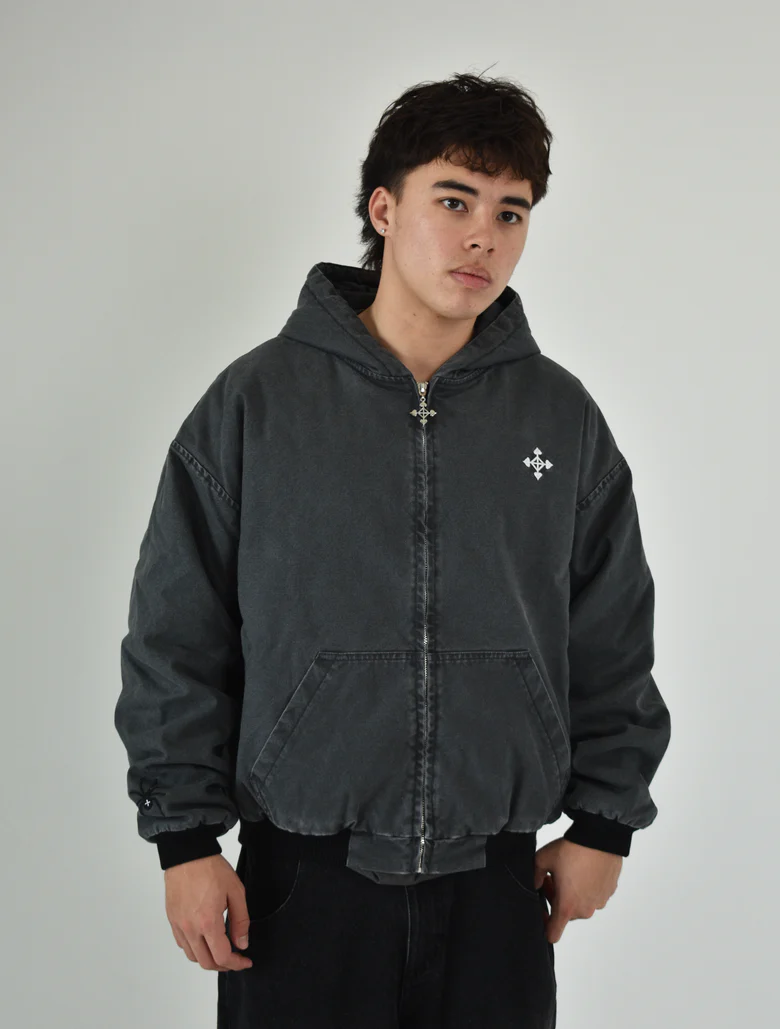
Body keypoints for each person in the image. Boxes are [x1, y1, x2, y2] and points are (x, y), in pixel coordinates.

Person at [114, 70, 671, 1028]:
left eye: (509, 212)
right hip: (300, 886)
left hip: (497, 887)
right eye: (453, 200)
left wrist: (603, 821)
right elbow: (176, 629)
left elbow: (611, 629)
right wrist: (185, 839)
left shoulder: (558, 416)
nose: (482, 236)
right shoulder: (256, 404)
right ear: (383, 209)